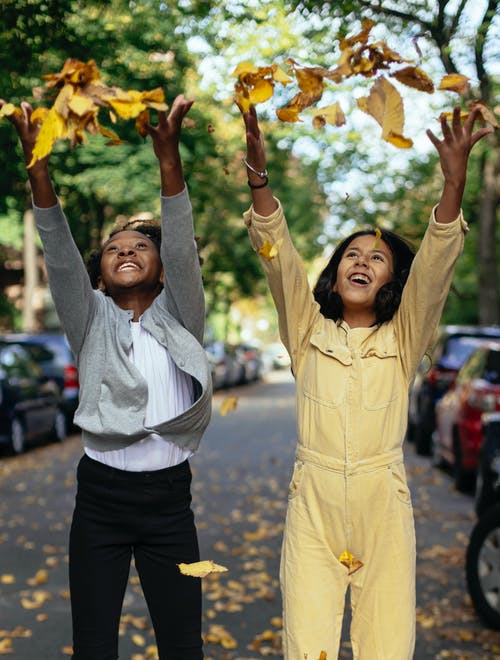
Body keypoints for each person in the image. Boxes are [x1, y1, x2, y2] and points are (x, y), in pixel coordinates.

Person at [239, 103, 492, 659]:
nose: (362, 262)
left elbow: (434, 268)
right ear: (334, 273)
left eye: (377, 258)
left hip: (384, 504)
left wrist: (453, 183)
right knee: (307, 646)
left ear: (391, 280)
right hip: (313, 504)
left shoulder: (404, 340)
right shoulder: (307, 333)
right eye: (352, 254)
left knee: (386, 646)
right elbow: (278, 263)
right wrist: (260, 181)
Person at [1, 94, 212, 660]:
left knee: (182, 643)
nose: (125, 251)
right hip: (100, 499)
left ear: (161, 267)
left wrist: (169, 161)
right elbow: (60, 252)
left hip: (171, 503)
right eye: (114, 248)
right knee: (94, 643)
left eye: (140, 246)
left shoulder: (181, 314)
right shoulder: (90, 319)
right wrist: (38, 163)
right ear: (98, 276)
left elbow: (183, 246)